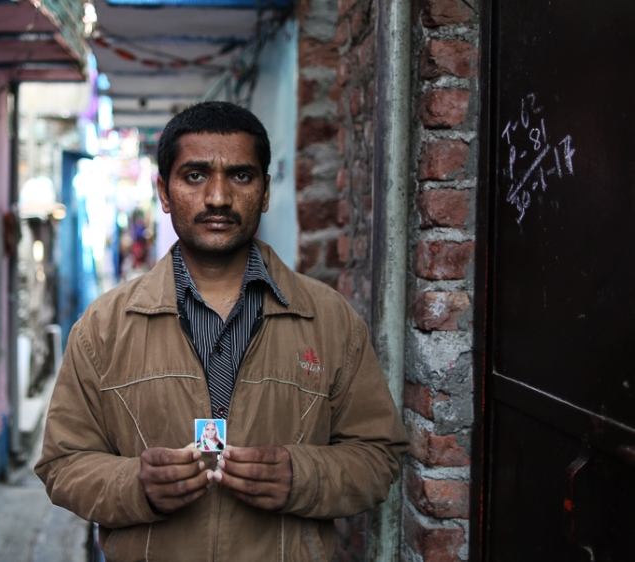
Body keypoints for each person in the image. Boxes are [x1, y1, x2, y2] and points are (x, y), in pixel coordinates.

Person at [35, 101, 408, 561]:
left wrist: (302, 475)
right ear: (165, 192)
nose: (218, 197)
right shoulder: (104, 327)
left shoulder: (330, 321)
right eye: (194, 176)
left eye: (241, 176)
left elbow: (378, 456)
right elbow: (62, 463)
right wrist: (136, 485)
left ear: (266, 191)